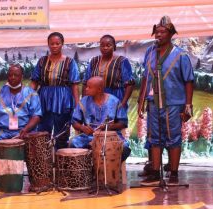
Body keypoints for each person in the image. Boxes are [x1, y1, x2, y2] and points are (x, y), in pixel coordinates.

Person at [138, 16, 194, 186]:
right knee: (155, 137)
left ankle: (174, 174)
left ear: (171, 34)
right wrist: (140, 102)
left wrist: (188, 106)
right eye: (157, 32)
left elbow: (189, 81)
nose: (159, 35)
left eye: (163, 32)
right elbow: (146, 78)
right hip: (153, 102)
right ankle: (155, 172)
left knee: (173, 137)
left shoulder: (181, 55)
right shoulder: (150, 52)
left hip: (173, 103)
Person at [31, 32, 80, 149]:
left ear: (62, 44)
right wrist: (29, 98)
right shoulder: (42, 61)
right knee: (43, 131)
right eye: (51, 43)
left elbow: (74, 85)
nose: (54, 46)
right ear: (48, 44)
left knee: (62, 133)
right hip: (44, 98)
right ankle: (44, 162)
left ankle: (60, 162)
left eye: (57, 43)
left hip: (63, 100)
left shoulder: (70, 62)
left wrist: (78, 104)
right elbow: (34, 82)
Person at [70, 76, 131, 161]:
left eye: (89, 87)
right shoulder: (84, 101)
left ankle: (111, 168)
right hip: (89, 137)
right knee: (72, 144)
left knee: (124, 148)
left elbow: (123, 122)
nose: (86, 89)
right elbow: (74, 121)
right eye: (86, 86)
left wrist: (108, 127)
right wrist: (82, 128)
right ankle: (89, 170)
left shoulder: (114, 101)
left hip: (110, 138)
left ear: (99, 89)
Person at [0, 64, 42, 141]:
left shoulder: (31, 94)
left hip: (23, 131)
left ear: (22, 76)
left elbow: (36, 116)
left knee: (30, 144)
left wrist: (26, 129)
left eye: (16, 75)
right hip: (2, 131)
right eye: (10, 75)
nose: (12, 77)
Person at [83, 34, 134, 111]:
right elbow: (85, 82)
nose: (105, 48)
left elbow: (129, 84)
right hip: (94, 100)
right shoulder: (94, 61)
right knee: (95, 122)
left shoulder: (122, 61)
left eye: (108, 45)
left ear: (114, 47)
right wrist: (84, 102)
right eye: (102, 45)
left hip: (115, 99)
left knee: (114, 122)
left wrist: (123, 103)